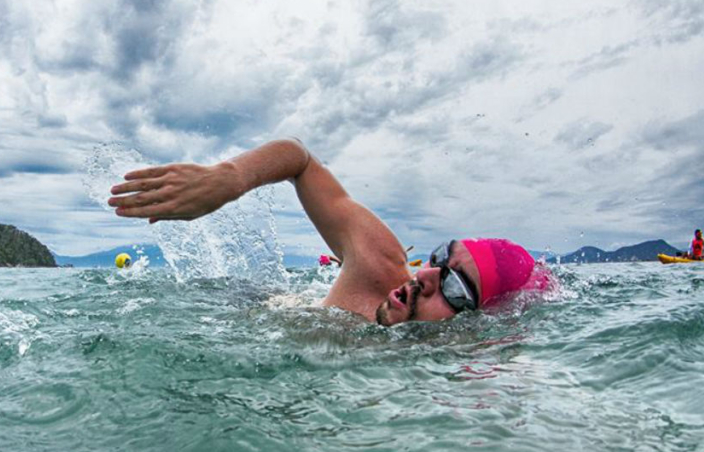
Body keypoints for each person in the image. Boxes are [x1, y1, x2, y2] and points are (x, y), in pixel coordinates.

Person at [108, 139, 551, 326]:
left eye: (455, 287)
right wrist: (228, 179)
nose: (427, 277)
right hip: (247, 305)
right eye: (440, 259)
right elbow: (301, 160)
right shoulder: (379, 266)